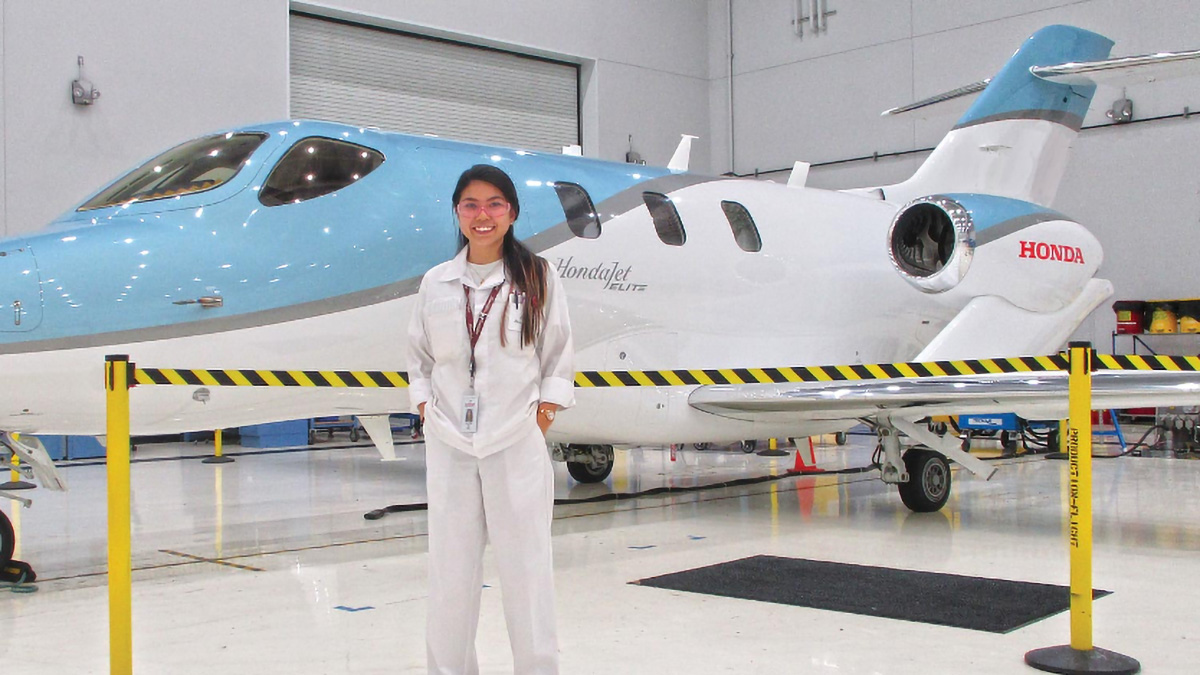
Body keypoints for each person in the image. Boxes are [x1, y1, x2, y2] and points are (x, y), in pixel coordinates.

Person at [407, 164, 575, 675]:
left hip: (515, 444)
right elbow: (420, 359)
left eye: (495, 204)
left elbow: (557, 356)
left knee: (527, 574)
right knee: (451, 574)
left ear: (512, 213)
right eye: (471, 205)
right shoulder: (436, 283)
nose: (483, 215)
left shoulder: (537, 277)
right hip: (450, 445)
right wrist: (424, 409)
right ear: (458, 214)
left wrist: (537, 421)